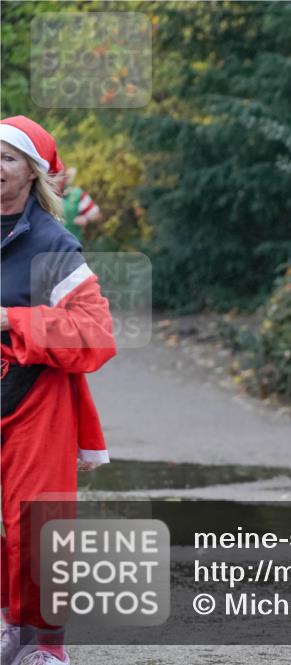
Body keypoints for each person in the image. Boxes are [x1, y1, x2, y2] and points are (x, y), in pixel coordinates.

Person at [0, 116, 116, 665]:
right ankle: (9, 625)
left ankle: (46, 644)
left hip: (34, 402)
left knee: (36, 527)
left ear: (32, 172)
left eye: (7, 158)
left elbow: (96, 333)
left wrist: (13, 320)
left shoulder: (53, 243)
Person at [56, 167, 101, 243]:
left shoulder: (76, 194)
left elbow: (97, 214)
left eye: (62, 176)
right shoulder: (43, 194)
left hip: (72, 243)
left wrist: (86, 219)